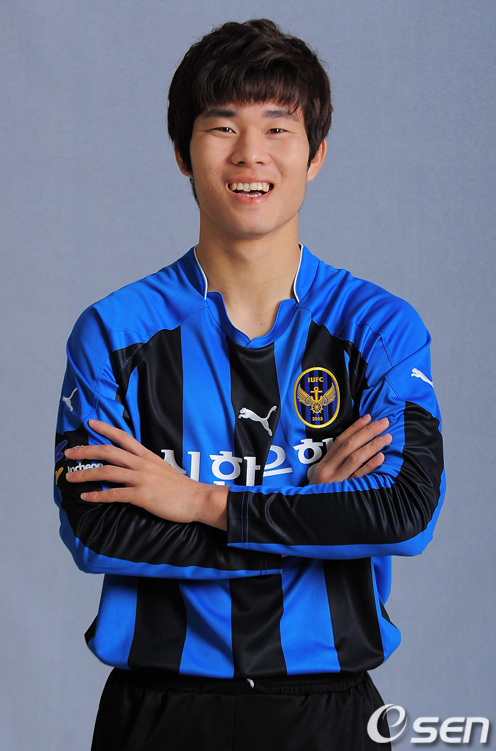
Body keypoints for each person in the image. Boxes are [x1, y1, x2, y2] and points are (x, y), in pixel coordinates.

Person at [54, 18, 445, 751]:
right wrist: (313, 510)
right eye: (222, 126)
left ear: (316, 154)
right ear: (182, 151)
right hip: (160, 710)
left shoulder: (379, 328)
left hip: (329, 710)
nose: (250, 154)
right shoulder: (114, 331)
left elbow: (402, 514)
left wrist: (201, 501)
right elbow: (95, 527)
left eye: (277, 128)